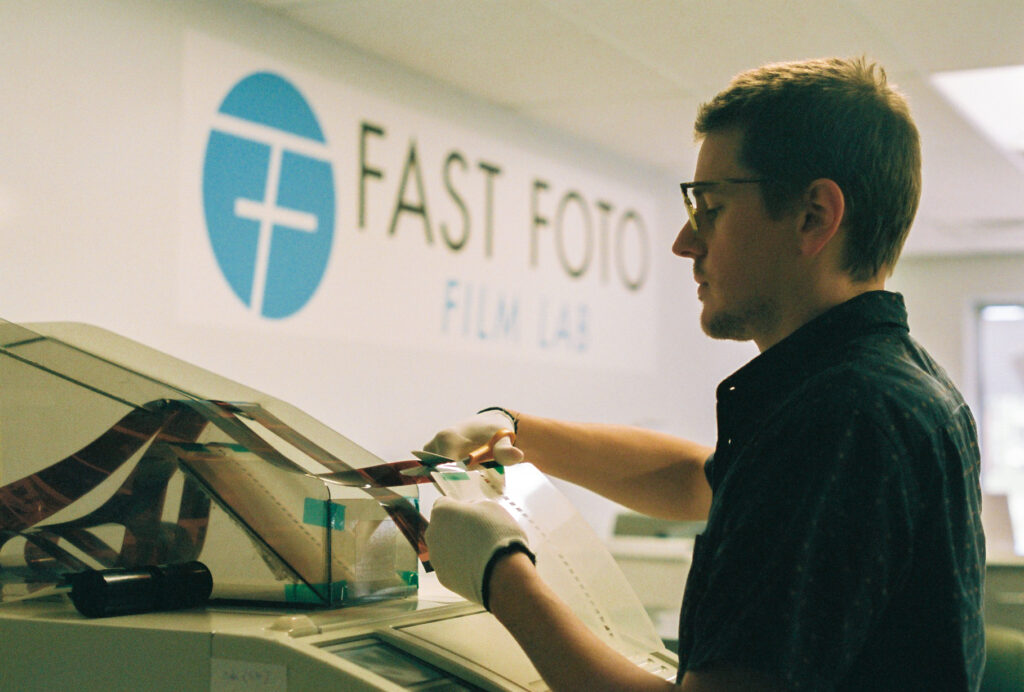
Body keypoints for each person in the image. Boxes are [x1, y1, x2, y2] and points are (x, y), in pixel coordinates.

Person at [422, 56, 985, 691]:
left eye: (710, 208)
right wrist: (517, 429)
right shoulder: (886, 385)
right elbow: (700, 480)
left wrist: (503, 578)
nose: (685, 243)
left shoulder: (844, 417)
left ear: (814, 217)